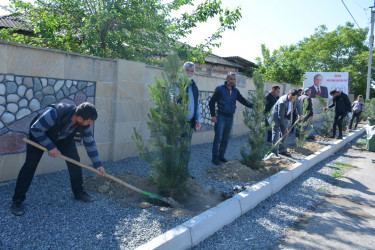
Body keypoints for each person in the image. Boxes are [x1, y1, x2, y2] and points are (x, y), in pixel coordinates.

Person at [11, 102, 106, 216]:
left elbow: (90, 143)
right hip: (40, 136)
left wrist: (98, 164)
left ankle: (79, 192)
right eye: (89, 121)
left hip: (64, 138)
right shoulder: (54, 113)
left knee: (75, 162)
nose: (90, 124)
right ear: (80, 118)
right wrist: (50, 146)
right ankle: (17, 200)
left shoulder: (84, 124)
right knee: (30, 165)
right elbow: (35, 129)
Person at [209, 72, 253, 165]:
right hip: (220, 117)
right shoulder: (220, 89)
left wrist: (254, 106)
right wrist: (213, 115)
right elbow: (211, 102)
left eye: (234, 79)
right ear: (226, 79)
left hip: (230, 117)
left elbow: (243, 101)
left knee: (225, 139)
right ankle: (215, 158)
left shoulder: (236, 91)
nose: (232, 81)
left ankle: (221, 156)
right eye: (231, 79)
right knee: (218, 139)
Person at [269, 89, 302, 157]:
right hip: (276, 117)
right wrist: (285, 127)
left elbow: (298, 105)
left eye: (294, 98)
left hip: (284, 117)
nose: (292, 99)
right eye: (291, 98)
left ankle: (282, 150)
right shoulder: (282, 102)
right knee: (276, 133)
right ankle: (274, 152)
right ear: (288, 94)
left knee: (285, 133)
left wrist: (300, 114)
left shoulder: (296, 98)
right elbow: (280, 116)